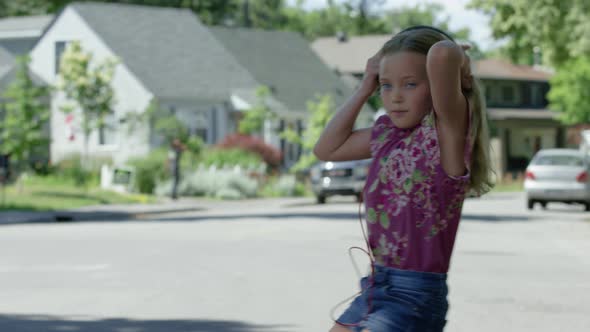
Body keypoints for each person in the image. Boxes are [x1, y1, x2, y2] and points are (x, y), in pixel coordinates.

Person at [313, 26, 493, 332]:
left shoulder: (446, 135)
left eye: (410, 84)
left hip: (414, 297)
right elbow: (326, 148)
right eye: (386, 86)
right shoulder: (386, 135)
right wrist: (365, 85)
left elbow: (442, 54)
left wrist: (460, 65)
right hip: (376, 286)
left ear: (436, 85)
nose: (395, 97)